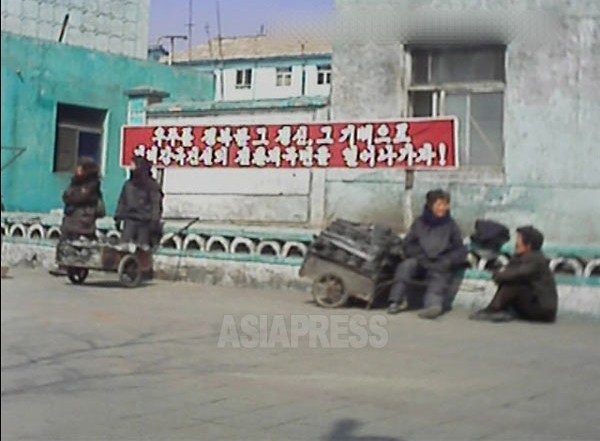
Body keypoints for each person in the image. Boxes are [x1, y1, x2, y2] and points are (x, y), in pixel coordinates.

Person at [388, 189, 468, 319]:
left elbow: (460, 250)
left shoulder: (451, 225)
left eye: (445, 204)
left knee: (438, 280)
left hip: (440, 263)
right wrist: (421, 257)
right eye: (439, 204)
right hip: (420, 261)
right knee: (406, 266)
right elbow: (408, 244)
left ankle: (432, 307)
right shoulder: (419, 223)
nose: (443, 208)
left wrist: (447, 261)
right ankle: (395, 301)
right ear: (431, 206)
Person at [470, 226, 558, 323]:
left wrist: (498, 275)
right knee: (509, 280)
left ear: (528, 245)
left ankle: (493, 309)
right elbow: (508, 272)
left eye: (519, 240)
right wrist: (500, 274)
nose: (516, 243)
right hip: (534, 305)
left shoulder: (536, 260)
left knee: (514, 284)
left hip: (542, 311)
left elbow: (517, 274)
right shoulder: (521, 257)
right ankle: (497, 309)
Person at [115, 156, 163, 250]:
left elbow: (156, 204)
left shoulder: (152, 185)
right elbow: (122, 202)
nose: (131, 168)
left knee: (142, 251)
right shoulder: (128, 184)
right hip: (129, 222)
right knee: (124, 248)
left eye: (133, 165)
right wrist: (118, 216)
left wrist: (154, 221)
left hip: (145, 223)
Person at [60, 157, 105, 240]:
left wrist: (72, 197)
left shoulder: (92, 184)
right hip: (70, 222)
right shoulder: (75, 182)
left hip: (83, 224)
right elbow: (66, 196)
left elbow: (79, 198)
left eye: (80, 168)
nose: (77, 170)